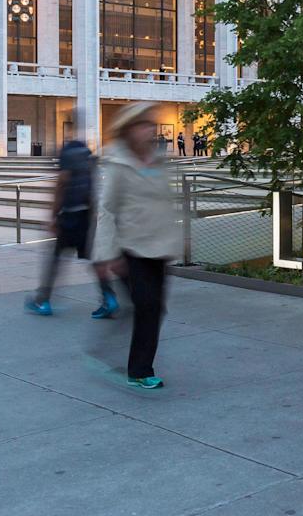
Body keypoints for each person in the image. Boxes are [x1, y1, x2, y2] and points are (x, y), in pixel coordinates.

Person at [91, 102, 181, 389]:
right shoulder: (119, 165)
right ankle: (139, 370)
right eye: (142, 126)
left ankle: (134, 361)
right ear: (129, 131)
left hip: (160, 246)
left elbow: (166, 203)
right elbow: (107, 209)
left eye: (149, 126)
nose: (148, 131)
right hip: (131, 248)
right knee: (147, 305)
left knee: (155, 308)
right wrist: (107, 254)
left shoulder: (158, 162)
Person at [25, 137, 119, 318]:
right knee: (94, 259)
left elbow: (60, 185)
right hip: (85, 216)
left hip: (69, 218)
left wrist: (52, 217)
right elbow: (93, 190)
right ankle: (109, 298)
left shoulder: (67, 155)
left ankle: (43, 301)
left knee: (54, 259)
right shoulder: (87, 158)